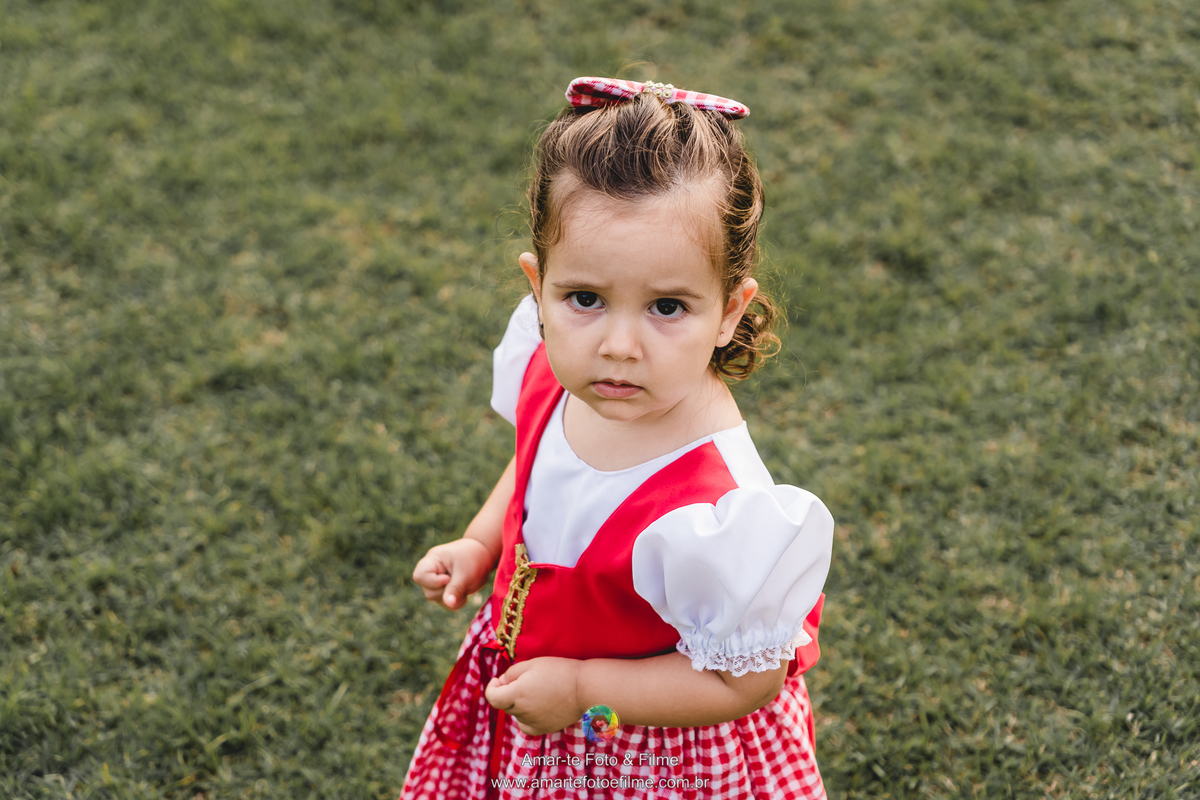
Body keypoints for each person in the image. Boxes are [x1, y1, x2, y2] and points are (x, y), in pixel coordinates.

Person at [402, 76, 835, 800]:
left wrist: (579, 688)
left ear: (730, 310)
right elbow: (534, 466)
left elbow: (745, 681)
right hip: (537, 697)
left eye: (668, 306)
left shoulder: (719, 508)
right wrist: (481, 543)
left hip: (645, 749)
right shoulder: (551, 372)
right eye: (585, 299)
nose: (619, 346)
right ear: (538, 287)